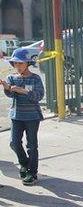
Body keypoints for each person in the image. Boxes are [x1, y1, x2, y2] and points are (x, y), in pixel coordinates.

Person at [3, 48, 45, 186]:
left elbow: (38, 96)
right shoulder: (12, 78)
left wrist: (24, 91)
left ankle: (32, 173)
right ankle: (24, 163)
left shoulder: (35, 78)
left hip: (32, 117)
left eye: (21, 63)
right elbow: (10, 94)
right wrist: (6, 87)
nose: (18, 66)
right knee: (14, 142)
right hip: (17, 116)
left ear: (27, 63)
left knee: (32, 146)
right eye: (15, 63)